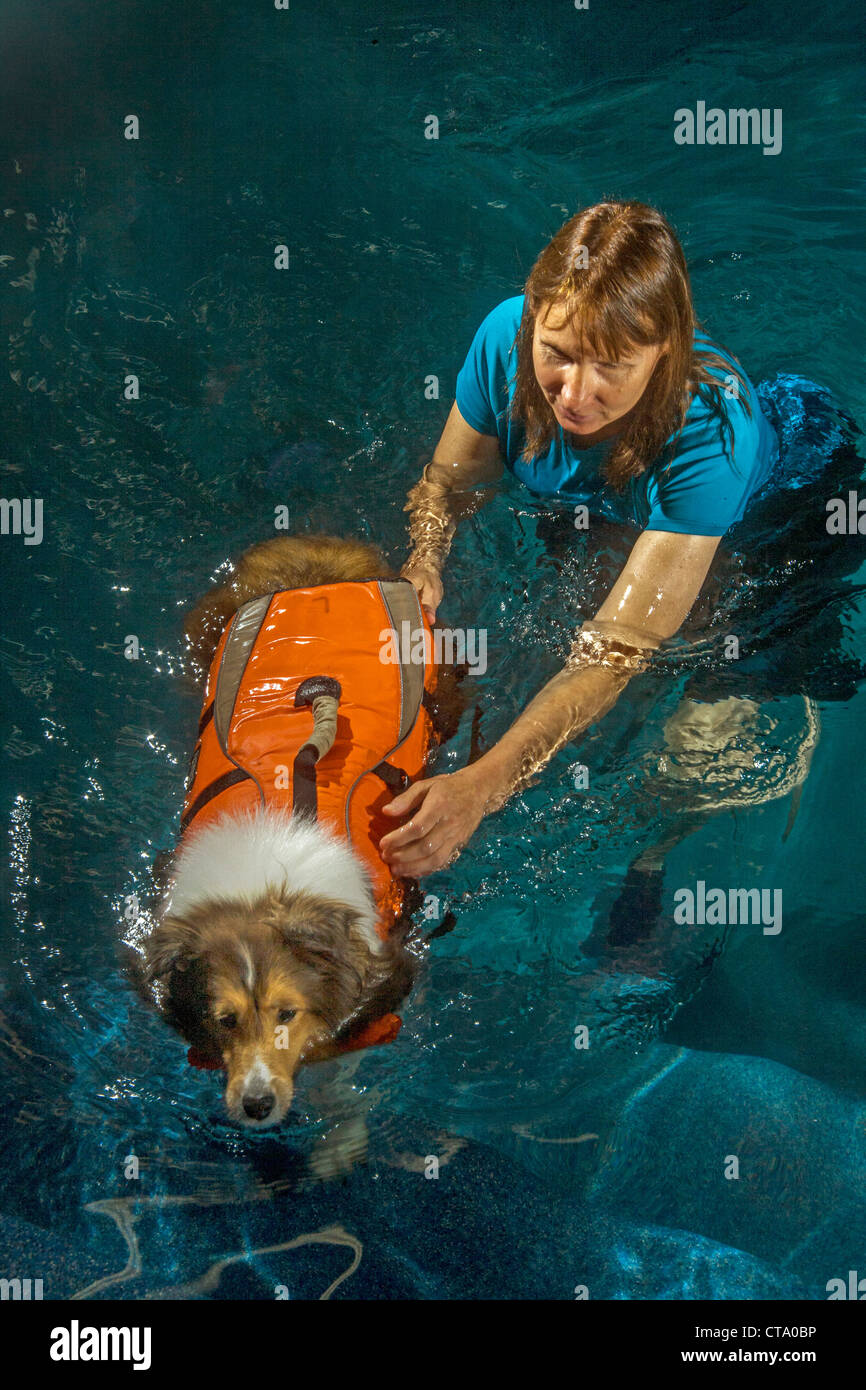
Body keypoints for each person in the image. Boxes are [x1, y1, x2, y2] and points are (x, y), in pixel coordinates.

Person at [378, 200, 781, 878]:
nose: (573, 393)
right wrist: (425, 560)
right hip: (605, 510)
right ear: (533, 317)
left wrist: (483, 787)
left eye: (610, 366)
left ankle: (651, 863)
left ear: (664, 354)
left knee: (699, 748)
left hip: (766, 522)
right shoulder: (505, 339)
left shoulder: (712, 431)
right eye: (556, 353)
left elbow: (617, 650)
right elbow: (447, 485)